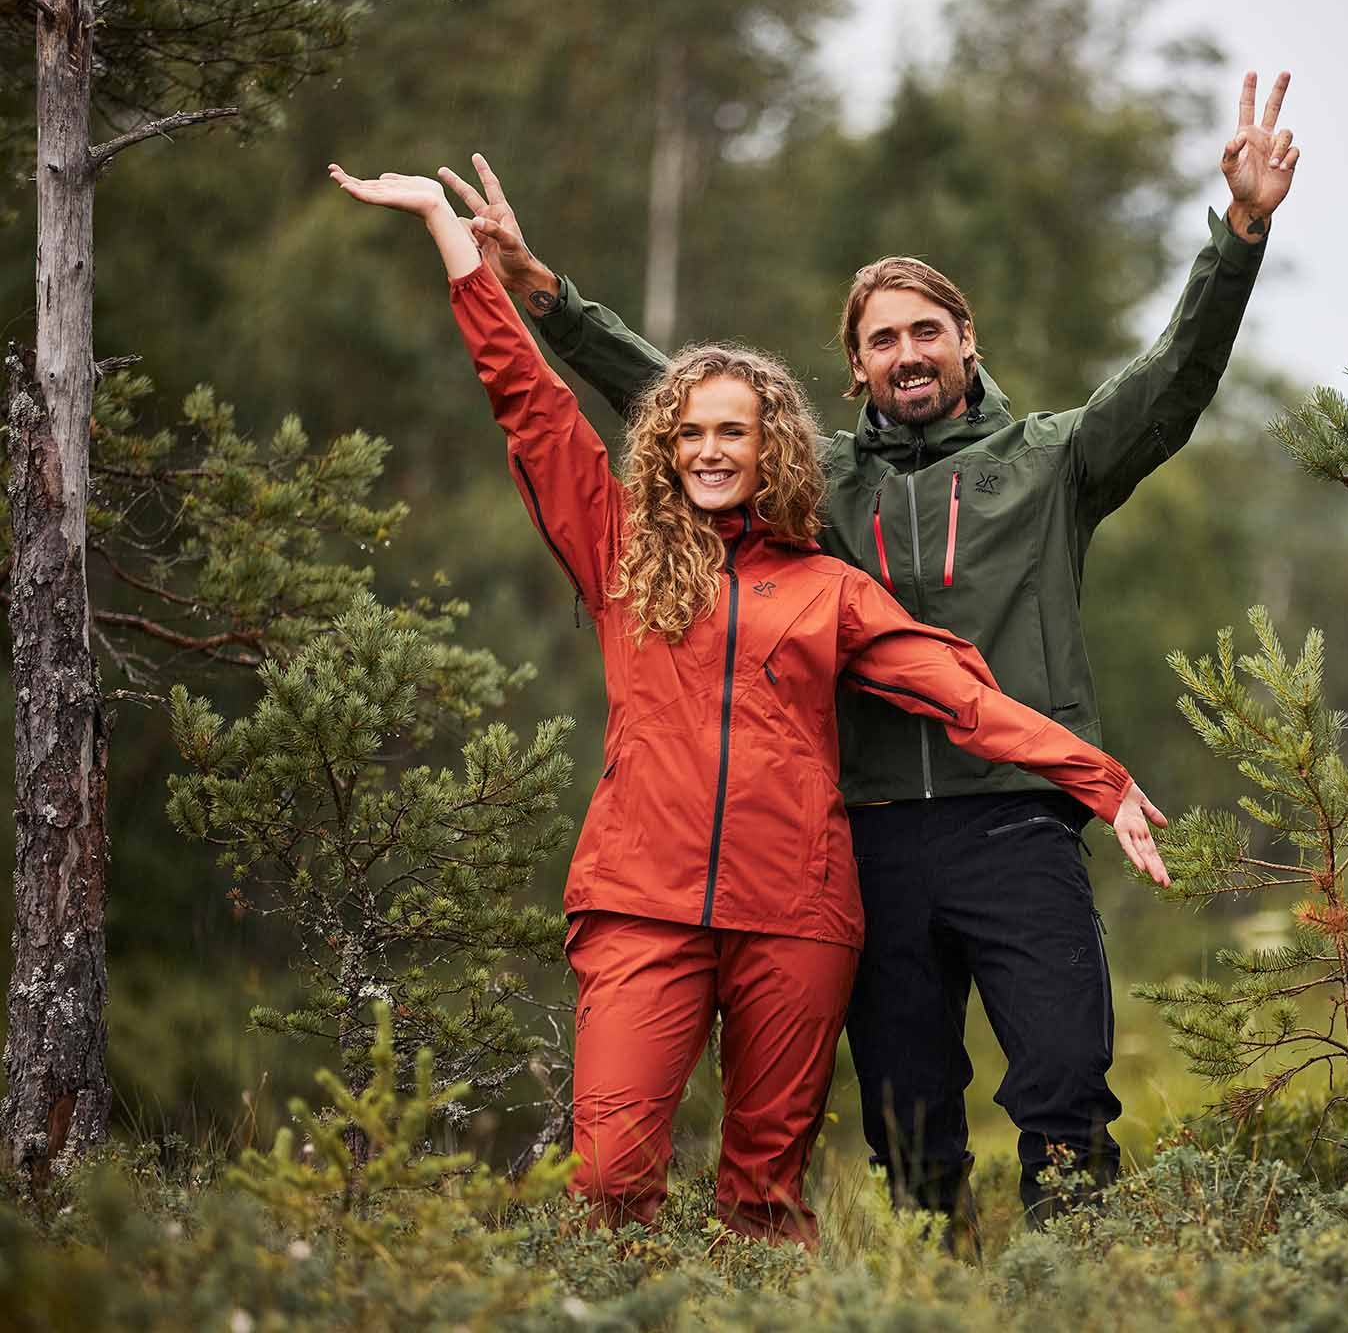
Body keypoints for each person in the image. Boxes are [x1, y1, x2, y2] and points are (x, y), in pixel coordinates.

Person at [442, 68, 1298, 1238]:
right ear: (852, 367)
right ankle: (931, 1282)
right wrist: (544, 296)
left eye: (926, 331)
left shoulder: (1051, 464)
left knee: (1059, 1079)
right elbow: (684, 405)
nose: (906, 352)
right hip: (867, 832)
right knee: (905, 1107)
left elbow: (1171, 383)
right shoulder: (822, 488)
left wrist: (1239, 234)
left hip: (1013, 816)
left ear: (965, 341)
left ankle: (1076, 1282)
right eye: (882, 337)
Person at [326, 162, 1172, 1249]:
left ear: (774, 448)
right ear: (662, 448)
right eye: (688, 434)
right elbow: (532, 407)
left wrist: (1097, 777)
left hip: (795, 914)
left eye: (734, 433)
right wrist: (456, 245)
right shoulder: (620, 551)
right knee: (612, 1171)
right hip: (644, 899)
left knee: (766, 1199)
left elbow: (958, 690)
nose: (710, 451)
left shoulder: (826, 587)